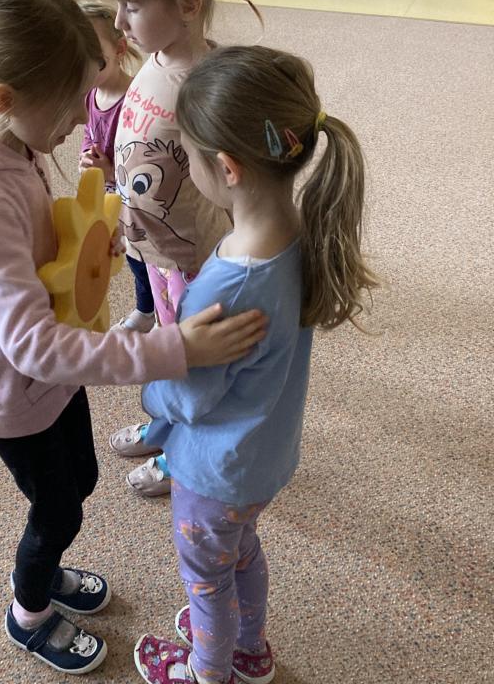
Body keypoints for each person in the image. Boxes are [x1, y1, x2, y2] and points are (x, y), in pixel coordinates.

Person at [0, 0, 268, 677]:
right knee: (57, 510)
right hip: (15, 393)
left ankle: (45, 569)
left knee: (79, 479)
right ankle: (29, 611)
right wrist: (174, 349)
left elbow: (37, 264)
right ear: (5, 99)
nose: (84, 116)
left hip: (51, 382)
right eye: (71, 102)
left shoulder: (10, 144)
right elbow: (32, 344)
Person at [132, 45, 378, 684]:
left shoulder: (231, 283)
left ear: (226, 168)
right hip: (263, 458)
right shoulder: (301, 231)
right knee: (240, 553)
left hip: (214, 470)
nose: (185, 166)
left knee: (205, 578)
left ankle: (209, 670)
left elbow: (189, 396)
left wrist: (149, 389)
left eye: (187, 155)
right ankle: (251, 647)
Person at [54, 0, 261, 498]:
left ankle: (183, 452)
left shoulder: (204, 85)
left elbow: (237, 182)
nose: (120, 23)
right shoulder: (157, 56)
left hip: (195, 259)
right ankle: (167, 424)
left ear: (189, 5)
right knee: (171, 349)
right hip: (156, 249)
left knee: (194, 363)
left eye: (132, 7)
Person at [78, 0, 155, 333]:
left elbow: (146, 162)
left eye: (94, 56)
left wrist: (111, 172)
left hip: (136, 196)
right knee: (130, 255)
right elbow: (89, 134)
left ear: (120, 49)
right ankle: (146, 309)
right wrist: (86, 156)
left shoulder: (136, 98)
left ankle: (157, 310)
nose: (84, 67)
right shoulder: (90, 95)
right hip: (110, 196)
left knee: (146, 254)